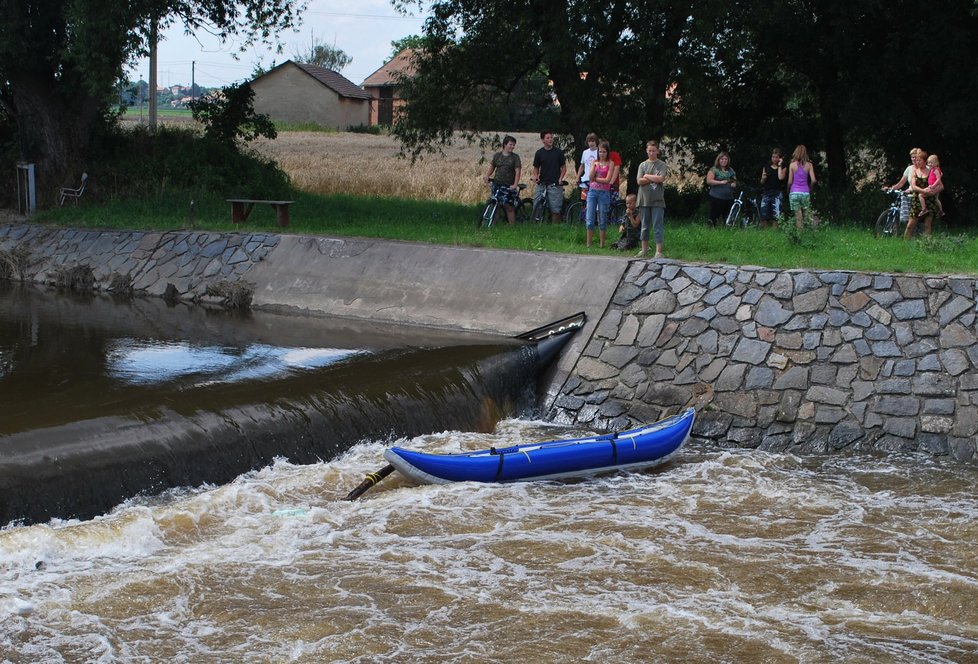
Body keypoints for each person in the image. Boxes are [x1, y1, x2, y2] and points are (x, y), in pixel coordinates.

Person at [635, 139, 668, 258]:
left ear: (657, 151)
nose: (651, 153)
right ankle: (644, 249)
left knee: (657, 225)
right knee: (644, 226)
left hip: (657, 200)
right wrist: (653, 178)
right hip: (644, 199)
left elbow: (661, 179)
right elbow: (639, 181)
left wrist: (647, 176)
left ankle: (658, 251)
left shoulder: (662, 164)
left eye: (654, 151)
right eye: (649, 151)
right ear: (646, 151)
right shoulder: (642, 165)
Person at [585, 141, 618, 248]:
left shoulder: (611, 163)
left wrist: (596, 179)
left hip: (604, 192)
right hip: (593, 192)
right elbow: (590, 177)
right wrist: (594, 168)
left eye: (604, 152)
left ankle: (601, 244)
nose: (601, 154)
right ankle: (589, 244)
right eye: (600, 152)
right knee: (590, 218)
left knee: (602, 218)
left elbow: (607, 180)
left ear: (607, 152)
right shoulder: (594, 162)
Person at [484, 135, 522, 224]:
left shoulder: (515, 157)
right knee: (495, 204)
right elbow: (492, 167)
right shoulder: (497, 156)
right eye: (510, 144)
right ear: (505, 145)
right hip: (497, 184)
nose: (512, 147)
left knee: (508, 207)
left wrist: (515, 184)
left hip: (508, 185)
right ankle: (492, 224)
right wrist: (487, 176)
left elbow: (517, 171)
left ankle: (512, 226)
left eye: (513, 145)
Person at [532, 131, 567, 223]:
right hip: (542, 183)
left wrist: (560, 178)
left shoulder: (558, 152)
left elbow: (563, 167)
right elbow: (536, 168)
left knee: (555, 208)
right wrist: (536, 177)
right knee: (536, 203)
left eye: (551, 137)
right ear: (543, 140)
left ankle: (555, 227)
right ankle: (537, 223)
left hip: (554, 183)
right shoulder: (539, 153)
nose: (550, 139)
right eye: (548, 138)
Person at [883, 148, 918, 226]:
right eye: (912, 157)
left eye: (916, 157)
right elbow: (901, 183)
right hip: (909, 194)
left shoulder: (924, 169)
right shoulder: (909, 169)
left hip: (919, 194)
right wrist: (891, 189)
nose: (914, 159)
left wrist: (912, 190)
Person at [905, 149, 934, 238]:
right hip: (916, 201)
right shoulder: (914, 171)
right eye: (916, 160)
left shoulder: (931, 171)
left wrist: (932, 191)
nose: (917, 162)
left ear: (924, 161)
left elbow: (939, 185)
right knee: (910, 226)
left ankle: (927, 245)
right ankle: (904, 245)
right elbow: (913, 186)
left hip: (929, 200)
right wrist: (923, 191)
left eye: (919, 160)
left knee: (927, 225)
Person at [787, 144, 816, 229]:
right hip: (805, 192)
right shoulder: (809, 165)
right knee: (807, 215)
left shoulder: (792, 165)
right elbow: (813, 180)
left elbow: (789, 182)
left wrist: (788, 190)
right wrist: (810, 188)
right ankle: (811, 232)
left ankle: (800, 236)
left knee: (798, 217)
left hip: (794, 192)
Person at [706, 151, 736, 228]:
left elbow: (734, 181)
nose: (724, 161)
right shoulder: (714, 169)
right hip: (717, 197)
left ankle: (726, 231)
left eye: (726, 159)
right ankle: (711, 230)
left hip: (729, 198)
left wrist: (733, 184)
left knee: (727, 217)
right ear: (718, 160)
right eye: (722, 159)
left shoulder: (731, 170)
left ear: (728, 160)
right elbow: (709, 181)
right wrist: (720, 182)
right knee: (714, 217)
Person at [759, 148, 786, 228]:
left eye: (776, 157)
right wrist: (763, 178)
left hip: (777, 193)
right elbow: (762, 182)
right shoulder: (766, 166)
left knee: (776, 216)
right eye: (773, 157)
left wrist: (779, 165)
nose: (774, 159)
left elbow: (780, 177)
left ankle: (774, 234)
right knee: (763, 214)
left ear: (780, 158)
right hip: (766, 192)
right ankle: (764, 234)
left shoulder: (783, 167)